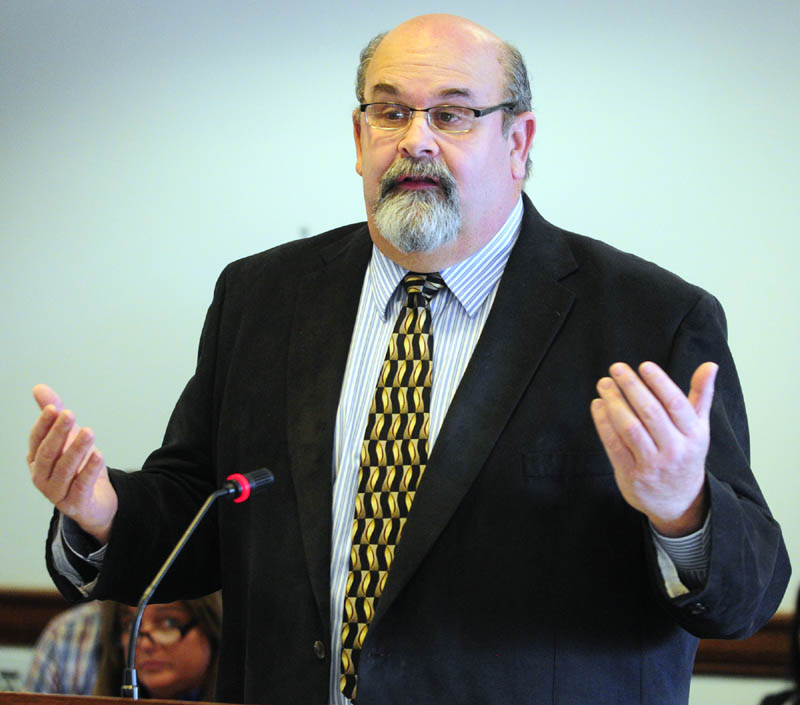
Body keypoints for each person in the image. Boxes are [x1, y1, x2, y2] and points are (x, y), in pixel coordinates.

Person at [26, 13, 789, 705]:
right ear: (359, 139)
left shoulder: (648, 318)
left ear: (518, 143)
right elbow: (201, 508)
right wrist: (102, 513)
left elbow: (748, 594)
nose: (415, 140)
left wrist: (683, 509)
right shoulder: (261, 297)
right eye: (390, 112)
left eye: (452, 114)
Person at [22, 595, 221, 700]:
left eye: (168, 623)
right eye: (129, 625)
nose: (143, 644)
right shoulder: (68, 632)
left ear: (211, 626)